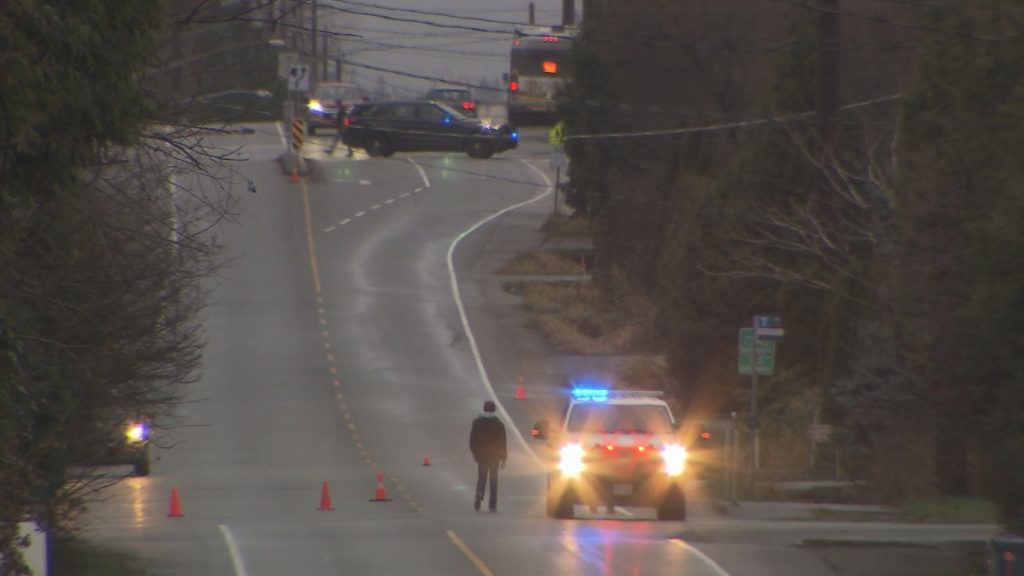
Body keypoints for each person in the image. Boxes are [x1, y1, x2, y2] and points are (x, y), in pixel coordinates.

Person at [469, 400, 507, 512]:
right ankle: (492, 504)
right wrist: (504, 458)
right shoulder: (499, 424)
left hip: (481, 454)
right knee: (493, 479)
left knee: (482, 476)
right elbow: (503, 442)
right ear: (494, 409)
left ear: (484, 409)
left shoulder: (477, 422)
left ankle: (479, 493)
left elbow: (472, 440)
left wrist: (475, 453)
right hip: (494, 455)